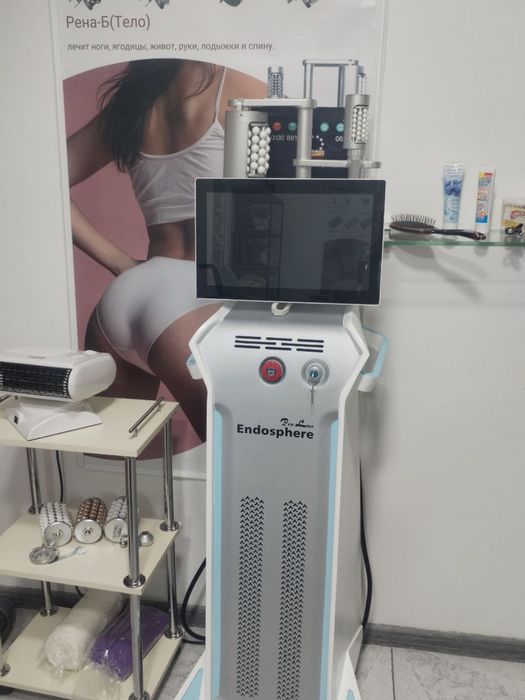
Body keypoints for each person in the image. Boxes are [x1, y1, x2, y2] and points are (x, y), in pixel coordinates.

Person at [68, 59, 266, 442]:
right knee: (243, 457)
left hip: (126, 297)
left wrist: (120, 263)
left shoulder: (133, 102)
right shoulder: (241, 82)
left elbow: (44, 175)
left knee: (118, 466)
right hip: (197, 301)